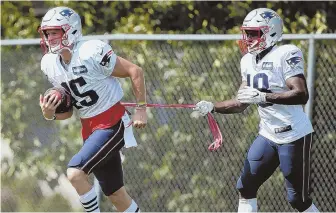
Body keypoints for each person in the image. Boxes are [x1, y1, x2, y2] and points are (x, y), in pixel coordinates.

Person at [195, 8, 319, 213]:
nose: (249, 38)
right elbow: (240, 103)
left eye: (254, 33)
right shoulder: (247, 61)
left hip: (294, 134)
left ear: (270, 32)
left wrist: (263, 97)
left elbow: (301, 94)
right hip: (268, 135)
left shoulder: (286, 53)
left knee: (298, 200)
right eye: (247, 33)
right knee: (245, 186)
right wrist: (212, 106)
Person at [38, 6, 146, 213]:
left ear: (71, 30)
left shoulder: (90, 52)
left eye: (54, 32)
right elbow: (68, 112)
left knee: (75, 173)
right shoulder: (50, 64)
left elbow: (135, 71)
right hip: (89, 129)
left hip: (112, 122)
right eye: (47, 33)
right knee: (116, 195)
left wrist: (141, 109)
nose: (49, 38)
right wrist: (49, 113)